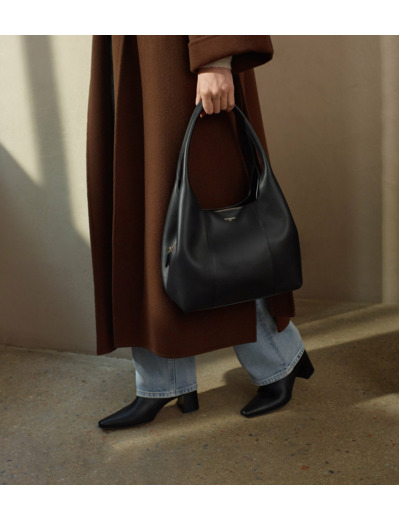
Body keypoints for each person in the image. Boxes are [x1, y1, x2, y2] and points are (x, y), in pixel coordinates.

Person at [86, 36, 314, 430]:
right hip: (132, 51)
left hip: (174, 56)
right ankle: (162, 381)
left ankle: (279, 361)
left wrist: (217, 59)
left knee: (214, 233)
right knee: (146, 222)